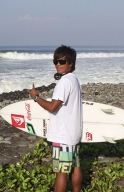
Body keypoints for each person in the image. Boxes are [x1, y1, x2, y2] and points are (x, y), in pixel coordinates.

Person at [28, 45, 82, 192]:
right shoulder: (75, 80)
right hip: (73, 134)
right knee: (75, 166)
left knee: (61, 173)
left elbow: (52, 107)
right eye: (55, 61)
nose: (58, 64)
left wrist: (36, 97)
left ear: (70, 63)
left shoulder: (64, 82)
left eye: (62, 62)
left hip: (63, 135)